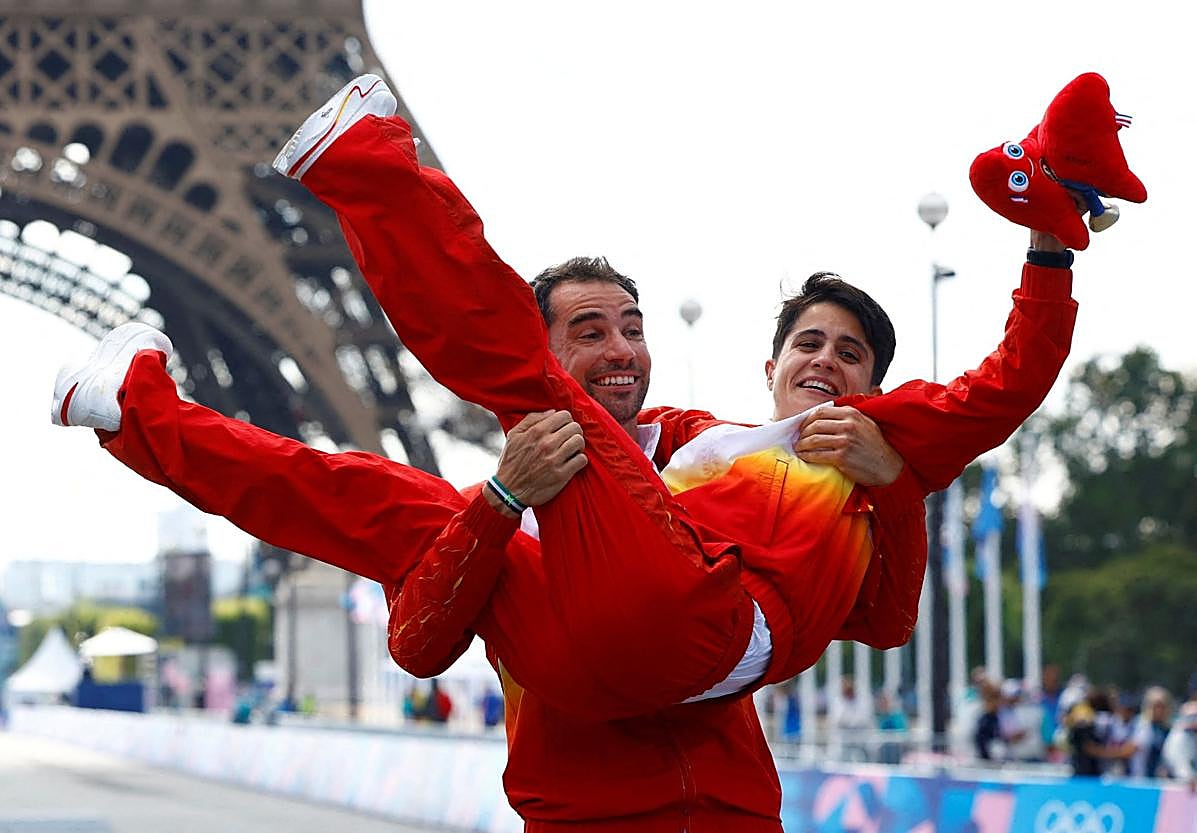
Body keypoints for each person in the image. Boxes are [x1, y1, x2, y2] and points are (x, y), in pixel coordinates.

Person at [51, 74, 1080, 832]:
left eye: (631, 327)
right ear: (772, 362)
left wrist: (899, 478)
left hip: (701, 713)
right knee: (375, 495)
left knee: (521, 432)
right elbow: (415, 645)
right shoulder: (588, 470)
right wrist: (499, 501)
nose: (622, 348)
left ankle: (367, 173)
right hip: (580, 753)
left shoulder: (768, 447)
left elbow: (910, 572)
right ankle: (138, 413)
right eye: (589, 330)